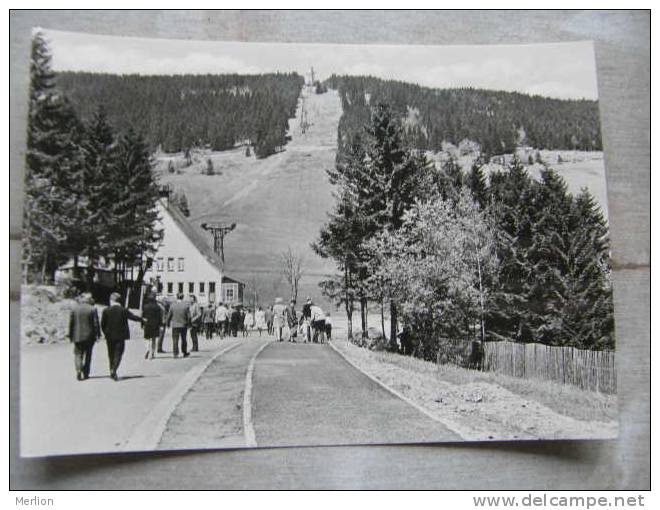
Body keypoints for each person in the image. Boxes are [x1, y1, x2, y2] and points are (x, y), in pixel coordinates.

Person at [101, 292, 143, 380]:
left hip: (109, 336)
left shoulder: (106, 310)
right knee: (118, 353)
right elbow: (133, 317)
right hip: (120, 336)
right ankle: (114, 369)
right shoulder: (123, 310)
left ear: (111, 300)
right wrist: (142, 320)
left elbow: (103, 324)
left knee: (111, 354)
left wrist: (105, 332)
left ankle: (111, 369)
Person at [68, 293, 100, 381]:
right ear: (89, 300)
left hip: (77, 336)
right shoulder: (93, 309)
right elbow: (96, 324)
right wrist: (98, 334)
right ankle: (86, 373)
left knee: (78, 354)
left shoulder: (74, 309)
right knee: (88, 355)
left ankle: (78, 370)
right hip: (90, 336)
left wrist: (70, 335)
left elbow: (71, 324)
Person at [166, 293, 191, 358]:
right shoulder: (186, 305)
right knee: (184, 339)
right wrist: (189, 324)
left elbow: (169, 316)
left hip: (175, 325)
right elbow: (189, 317)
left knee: (175, 339)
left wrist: (168, 323)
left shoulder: (172, 305)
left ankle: (175, 353)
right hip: (183, 325)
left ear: (177, 297)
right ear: (183, 297)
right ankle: (184, 352)